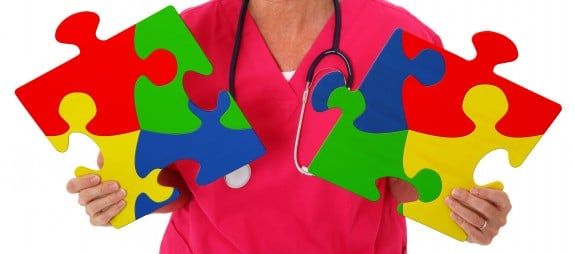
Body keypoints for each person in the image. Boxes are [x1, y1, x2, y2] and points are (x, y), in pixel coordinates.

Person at [66, 0, 512, 253]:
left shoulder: (402, 37)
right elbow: (167, 184)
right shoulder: (176, 41)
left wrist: (466, 206)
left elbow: (405, 179)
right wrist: (116, 195)